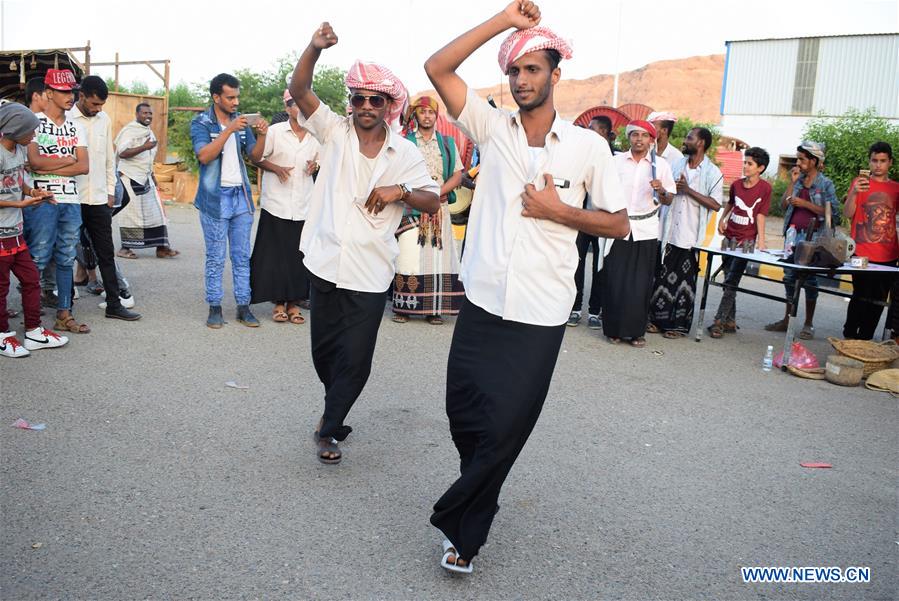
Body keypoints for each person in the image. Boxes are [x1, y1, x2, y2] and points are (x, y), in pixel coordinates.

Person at [424, 1, 629, 573]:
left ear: (555, 75)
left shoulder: (589, 148)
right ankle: (475, 488)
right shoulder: (492, 128)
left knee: (507, 425)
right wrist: (505, 22)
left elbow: (618, 222)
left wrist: (560, 210)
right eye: (514, 71)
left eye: (533, 69)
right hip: (484, 301)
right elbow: (438, 68)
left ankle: (465, 533)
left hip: (540, 312)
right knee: (464, 415)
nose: (521, 80)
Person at [289, 23, 440, 464]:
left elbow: (433, 197)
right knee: (325, 354)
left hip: (372, 270)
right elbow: (299, 88)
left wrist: (401, 192)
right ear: (351, 104)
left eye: (377, 100)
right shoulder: (334, 132)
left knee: (355, 358)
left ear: (390, 106)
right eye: (359, 99)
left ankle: (329, 428)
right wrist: (315, 48)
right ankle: (333, 408)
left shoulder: (405, 153)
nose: (367, 106)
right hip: (325, 261)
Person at [190, 73, 269, 328]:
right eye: (230, 97)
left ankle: (243, 306)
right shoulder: (201, 122)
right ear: (216, 97)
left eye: (237, 97)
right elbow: (204, 156)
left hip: (241, 197)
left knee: (241, 255)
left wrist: (263, 135)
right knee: (215, 256)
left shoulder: (241, 123)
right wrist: (228, 132)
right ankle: (215, 307)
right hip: (215, 198)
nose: (235, 102)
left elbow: (254, 157)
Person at [68, 76, 141, 321]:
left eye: (101, 105)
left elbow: (110, 159)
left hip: (99, 198)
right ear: (82, 96)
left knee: (106, 253)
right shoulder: (66, 120)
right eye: (94, 103)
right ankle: (64, 308)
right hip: (72, 198)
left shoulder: (105, 120)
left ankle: (114, 304)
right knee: (66, 251)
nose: (98, 109)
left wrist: (111, 192)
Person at [25, 69, 90, 334]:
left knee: (66, 258)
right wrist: (67, 160)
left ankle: (64, 314)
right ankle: (31, 322)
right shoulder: (33, 122)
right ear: (49, 92)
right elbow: (34, 163)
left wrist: (47, 166)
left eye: (72, 91)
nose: (70, 96)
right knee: (37, 258)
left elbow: (84, 166)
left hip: (70, 200)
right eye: (64, 91)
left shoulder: (76, 126)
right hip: (42, 200)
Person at [0, 103, 69, 357]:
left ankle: (33, 332)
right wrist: (19, 202)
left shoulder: (19, 151)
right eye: (30, 130)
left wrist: (35, 192)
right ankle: (3, 335)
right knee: (1, 287)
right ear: (15, 129)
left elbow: (21, 181)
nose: (34, 136)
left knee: (31, 280)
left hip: (15, 232)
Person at [392, 95, 466, 325]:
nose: (426, 116)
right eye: (422, 112)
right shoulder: (405, 142)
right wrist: (416, 196)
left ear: (436, 116)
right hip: (411, 206)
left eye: (431, 112)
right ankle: (404, 307)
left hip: (439, 208)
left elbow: (458, 174)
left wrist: (439, 192)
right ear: (415, 115)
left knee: (437, 257)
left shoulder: (447, 143)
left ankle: (434, 309)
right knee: (408, 256)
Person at [249, 89, 320, 325]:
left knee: (298, 256)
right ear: (288, 108)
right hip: (277, 204)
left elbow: (323, 161)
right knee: (276, 257)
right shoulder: (275, 131)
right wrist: (275, 166)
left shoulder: (316, 135)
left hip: (304, 205)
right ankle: (278, 304)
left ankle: (293, 304)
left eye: (303, 104)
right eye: (295, 105)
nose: (300, 109)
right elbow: (256, 157)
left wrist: (315, 166)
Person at [602, 119, 675, 346]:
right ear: (629, 138)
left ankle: (636, 332)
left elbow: (668, 199)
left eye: (644, 135)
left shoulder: (660, 166)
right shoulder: (615, 161)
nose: (639, 139)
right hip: (619, 225)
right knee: (615, 278)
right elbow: (604, 190)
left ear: (652, 140)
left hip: (646, 228)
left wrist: (660, 189)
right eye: (634, 135)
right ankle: (613, 330)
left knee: (640, 282)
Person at [649, 127, 723, 338]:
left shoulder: (713, 173)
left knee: (684, 283)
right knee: (661, 279)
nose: (685, 140)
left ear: (701, 143)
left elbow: (716, 204)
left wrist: (688, 190)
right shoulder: (676, 165)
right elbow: (665, 193)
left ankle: (678, 326)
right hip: (668, 231)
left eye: (690, 137)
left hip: (690, 236)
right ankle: (655, 320)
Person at [764, 141, 839, 340]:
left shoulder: (825, 184)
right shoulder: (798, 181)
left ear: (814, 161)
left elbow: (834, 214)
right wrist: (792, 182)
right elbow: (782, 206)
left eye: (802, 159)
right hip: (792, 234)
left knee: (810, 279)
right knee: (789, 276)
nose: (798, 162)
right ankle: (787, 318)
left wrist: (805, 203)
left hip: (813, 238)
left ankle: (808, 323)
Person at [708, 147, 772, 338]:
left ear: (760, 168)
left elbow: (761, 215)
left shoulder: (765, 189)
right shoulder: (736, 185)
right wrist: (722, 218)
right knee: (729, 280)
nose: (745, 166)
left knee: (732, 281)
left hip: (747, 242)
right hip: (730, 237)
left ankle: (719, 321)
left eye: (750, 163)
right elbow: (731, 203)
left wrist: (761, 240)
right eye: (745, 162)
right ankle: (730, 320)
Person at [842, 141, 898, 340]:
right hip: (862, 252)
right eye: (874, 160)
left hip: (888, 255)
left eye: (882, 161)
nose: (878, 165)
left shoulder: (896, 188)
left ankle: (865, 340)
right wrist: (855, 192)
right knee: (860, 296)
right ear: (869, 161)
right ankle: (849, 336)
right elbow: (848, 213)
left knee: (878, 302)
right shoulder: (859, 182)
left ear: (890, 162)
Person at [114, 102, 179, 258]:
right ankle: (125, 249)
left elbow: (148, 158)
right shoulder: (130, 131)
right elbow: (122, 153)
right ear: (137, 114)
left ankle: (162, 248)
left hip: (146, 178)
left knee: (157, 213)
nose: (148, 116)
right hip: (130, 177)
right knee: (131, 215)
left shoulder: (148, 132)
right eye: (145, 113)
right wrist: (145, 147)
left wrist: (153, 175)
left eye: (150, 113)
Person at [569, 114, 615, 328]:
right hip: (581, 219)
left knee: (601, 266)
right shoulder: (582, 154)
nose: (587, 131)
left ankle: (595, 311)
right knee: (576, 263)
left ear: (605, 133)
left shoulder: (616, 159)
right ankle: (575, 308)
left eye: (592, 128)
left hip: (602, 220)